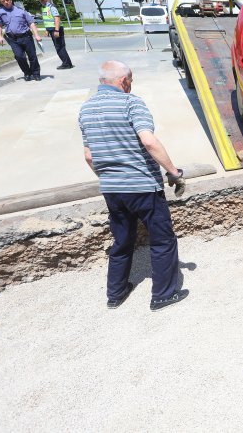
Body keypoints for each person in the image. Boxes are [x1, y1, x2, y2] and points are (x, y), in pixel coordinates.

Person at [79, 60, 189, 311]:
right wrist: (174, 172)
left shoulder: (86, 110)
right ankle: (163, 295)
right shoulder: (132, 103)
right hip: (143, 186)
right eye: (130, 81)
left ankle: (115, 294)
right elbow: (149, 142)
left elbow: (89, 156)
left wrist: (110, 178)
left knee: (122, 240)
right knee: (162, 240)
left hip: (112, 189)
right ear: (124, 81)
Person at [0, 0, 42, 80]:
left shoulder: (21, 10)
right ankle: (27, 72)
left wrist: (37, 35)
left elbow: (31, 23)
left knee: (32, 56)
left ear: (11, 0)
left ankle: (36, 73)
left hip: (26, 36)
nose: (6, 2)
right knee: (19, 56)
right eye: (3, 1)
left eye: (7, 0)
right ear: (1, 2)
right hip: (12, 39)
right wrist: (0, 36)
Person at [36, 0, 73, 70]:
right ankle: (68, 63)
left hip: (56, 29)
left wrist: (56, 30)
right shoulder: (43, 7)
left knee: (60, 47)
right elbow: (46, 19)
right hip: (51, 29)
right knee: (59, 47)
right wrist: (47, 30)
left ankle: (66, 64)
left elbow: (57, 18)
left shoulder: (51, 7)